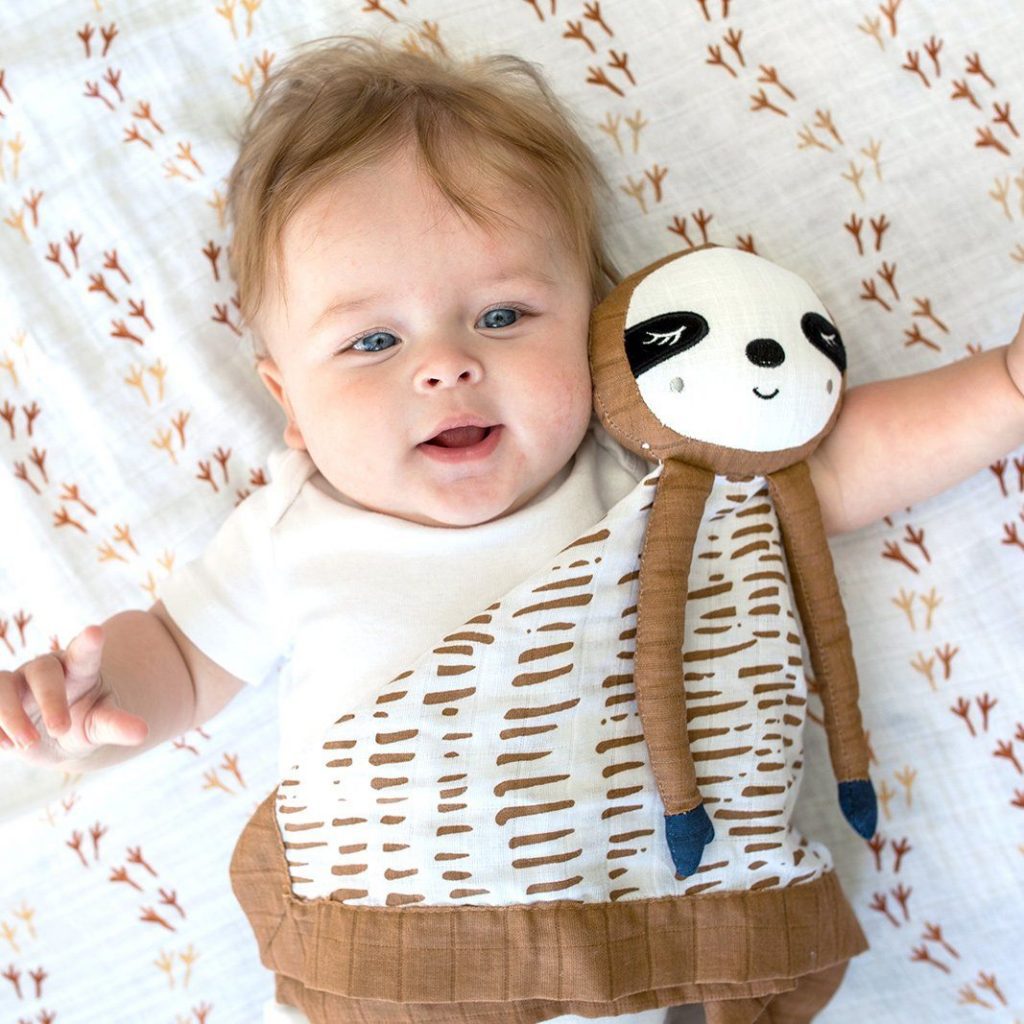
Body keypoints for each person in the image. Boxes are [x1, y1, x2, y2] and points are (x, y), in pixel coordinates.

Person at [2, 34, 1023, 1024]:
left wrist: (1003, 385)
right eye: (371, 340)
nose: (444, 363)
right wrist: (96, 690)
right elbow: (181, 656)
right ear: (290, 401)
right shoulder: (290, 529)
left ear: (590, 326)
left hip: (628, 952)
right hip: (396, 975)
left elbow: (832, 460)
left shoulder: (641, 475)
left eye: (502, 316)